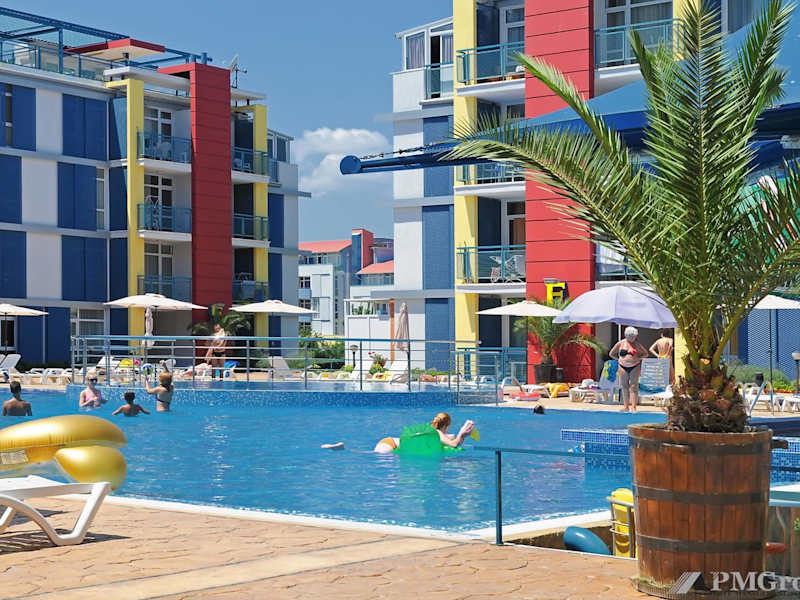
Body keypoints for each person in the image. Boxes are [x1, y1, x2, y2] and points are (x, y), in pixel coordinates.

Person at [374, 412, 473, 453]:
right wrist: (461, 433)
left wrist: (462, 437)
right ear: (446, 426)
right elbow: (453, 444)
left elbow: (449, 439)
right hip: (390, 445)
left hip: (387, 442)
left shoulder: (431, 431)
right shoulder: (436, 432)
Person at [609, 326, 651, 412]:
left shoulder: (637, 344)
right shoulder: (620, 343)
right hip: (622, 366)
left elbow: (646, 354)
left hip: (634, 366)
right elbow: (611, 354)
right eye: (631, 336)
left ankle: (634, 407)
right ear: (626, 335)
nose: (633, 338)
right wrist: (619, 359)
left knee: (634, 386)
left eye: (634, 336)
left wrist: (638, 358)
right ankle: (626, 406)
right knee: (624, 386)